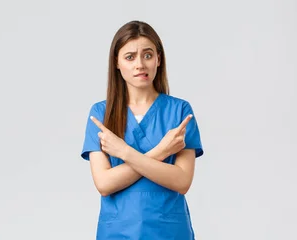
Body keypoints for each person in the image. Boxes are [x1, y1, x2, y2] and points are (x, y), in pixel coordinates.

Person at [80, 20, 204, 240]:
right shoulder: (101, 114)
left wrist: (125, 152)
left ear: (158, 59)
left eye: (147, 55)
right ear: (116, 62)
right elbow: (105, 184)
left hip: (169, 231)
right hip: (117, 232)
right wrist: (160, 152)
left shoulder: (179, 111)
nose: (140, 64)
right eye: (130, 57)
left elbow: (182, 181)